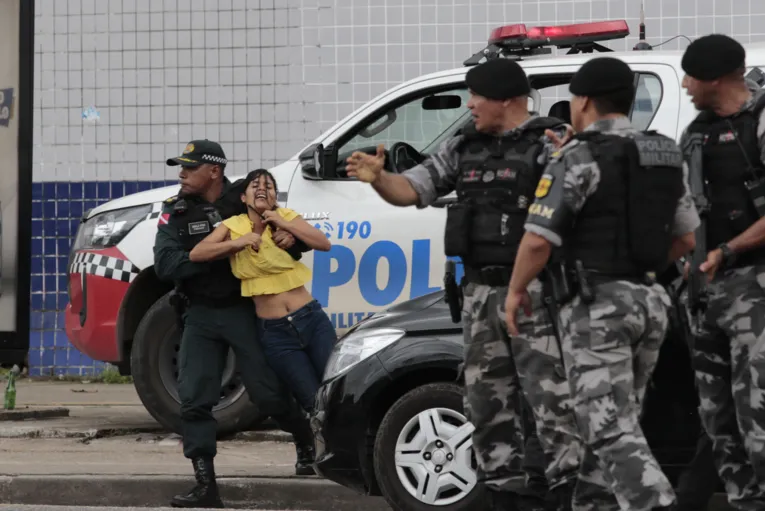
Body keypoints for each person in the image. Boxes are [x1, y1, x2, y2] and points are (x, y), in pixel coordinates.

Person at [344, 57, 592, 511]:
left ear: (507, 100)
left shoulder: (552, 144)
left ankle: (565, 496)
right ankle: (505, 496)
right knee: (486, 406)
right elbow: (412, 190)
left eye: (477, 96)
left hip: (539, 296)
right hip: (480, 296)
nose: (470, 104)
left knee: (553, 405)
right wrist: (378, 178)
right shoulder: (463, 148)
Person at [504, 56, 699, 511]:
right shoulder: (665, 153)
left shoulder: (576, 155)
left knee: (606, 425)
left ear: (584, 100)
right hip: (650, 301)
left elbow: (538, 241)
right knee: (617, 418)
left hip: (596, 307)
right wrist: (638, 268)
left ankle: (656, 503)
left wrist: (515, 292)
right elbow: (686, 236)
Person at [154, 140, 317, 509]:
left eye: (189, 168)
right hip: (199, 313)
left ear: (214, 170)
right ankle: (205, 484)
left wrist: (287, 239)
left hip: (245, 310)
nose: (181, 174)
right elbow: (166, 265)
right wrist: (222, 252)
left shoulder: (245, 195)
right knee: (194, 398)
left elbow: (290, 241)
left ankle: (304, 438)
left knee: (268, 393)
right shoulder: (176, 211)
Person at [679, 33, 765, 510]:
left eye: (691, 76)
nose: (686, 84)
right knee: (718, 420)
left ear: (713, 77)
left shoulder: (760, 122)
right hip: (705, 294)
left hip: (755, 288)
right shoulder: (695, 133)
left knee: (759, 414)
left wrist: (728, 250)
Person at [189, 168, 336, 414]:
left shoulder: (287, 217)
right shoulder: (232, 226)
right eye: (255, 185)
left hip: (311, 319)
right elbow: (197, 253)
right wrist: (237, 242)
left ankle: (348, 449)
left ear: (275, 198)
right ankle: (319, 448)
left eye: (268, 187)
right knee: (312, 401)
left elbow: (323, 243)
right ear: (243, 198)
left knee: (336, 388)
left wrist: (284, 224)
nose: (262, 189)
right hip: (276, 331)